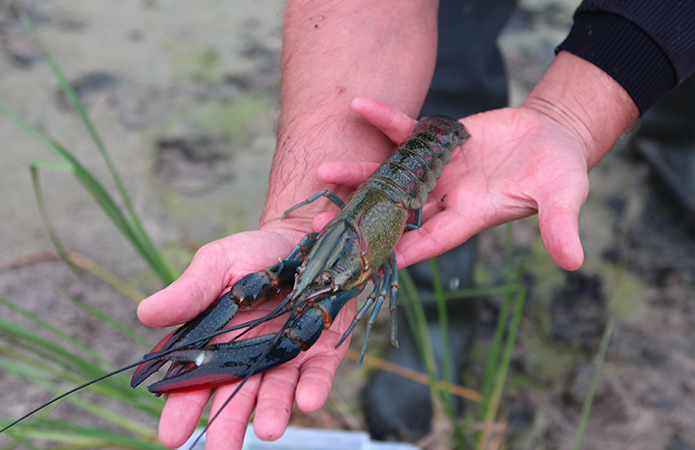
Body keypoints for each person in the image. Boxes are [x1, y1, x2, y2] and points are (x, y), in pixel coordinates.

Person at [136, 1, 695, 449]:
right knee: (454, 50)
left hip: (421, 164)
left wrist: (576, 113)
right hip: (399, 172)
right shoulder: (310, 261)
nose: (295, 285)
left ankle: (674, 131)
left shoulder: (347, 264)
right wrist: (562, 116)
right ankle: (439, 315)